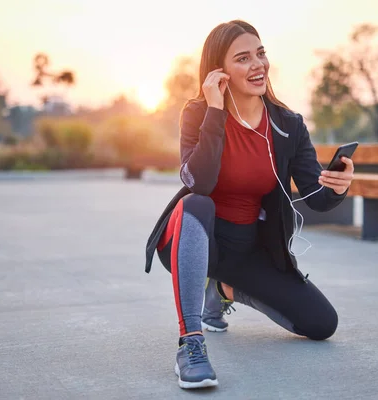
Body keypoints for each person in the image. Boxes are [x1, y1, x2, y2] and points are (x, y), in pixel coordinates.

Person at [144, 20, 355, 390]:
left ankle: (223, 290)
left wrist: (337, 185)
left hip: (248, 251)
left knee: (322, 324)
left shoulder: (287, 124)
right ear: (219, 71)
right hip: (192, 241)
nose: (258, 65)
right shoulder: (197, 113)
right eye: (243, 58)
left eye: (260, 53)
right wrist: (214, 110)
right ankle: (191, 343)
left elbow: (316, 198)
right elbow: (199, 181)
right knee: (197, 204)